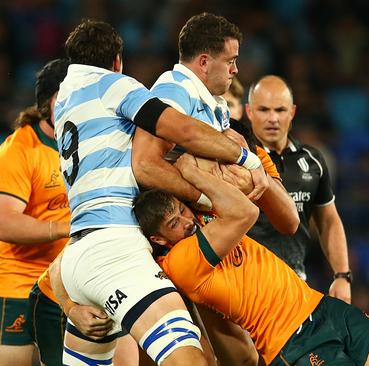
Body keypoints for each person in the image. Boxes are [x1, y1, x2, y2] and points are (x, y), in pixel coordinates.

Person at [52, 19, 266, 366]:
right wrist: (244, 158)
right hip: (116, 248)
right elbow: (179, 128)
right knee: (193, 361)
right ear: (117, 60)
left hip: (78, 256)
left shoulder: (64, 102)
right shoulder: (113, 85)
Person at [133, 153, 369, 366]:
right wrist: (189, 169)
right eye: (174, 223)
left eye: (182, 211)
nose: (186, 221)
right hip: (293, 343)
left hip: (325, 309)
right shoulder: (180, 262)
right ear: (159, 240)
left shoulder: (200, 221)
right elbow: (245, 212)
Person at [133, 13, 298, 365]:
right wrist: (206, 196)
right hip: (178, 243)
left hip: (206, 240)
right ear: (205, 62)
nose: (236, 70)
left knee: (239, 355)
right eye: (231, 60)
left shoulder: (212, 103)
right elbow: (145, 164)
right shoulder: (174, 91)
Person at [0, 59, 72, 366]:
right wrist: (65, 228)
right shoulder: (17, 151)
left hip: (72, 284)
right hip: (21, 284)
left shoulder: (87, 145)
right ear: (55, 101)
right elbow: (2, 222)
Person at [245, 75, 352, 303]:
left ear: (292, 112)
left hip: (295, 284)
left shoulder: (313, 160)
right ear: (249, 112)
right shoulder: (238, 160)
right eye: (263, 110)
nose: (272, 118)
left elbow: (328, 220)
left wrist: (342, 275)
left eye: (280, 110)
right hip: (246, 286)